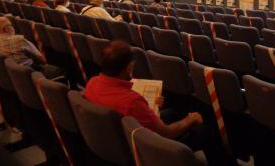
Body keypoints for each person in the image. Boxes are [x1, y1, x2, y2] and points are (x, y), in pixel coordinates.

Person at [84, 41, 235, 166]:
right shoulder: (132, 101)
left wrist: (150, 107)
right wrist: (192, 119)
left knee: (176, 112)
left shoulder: (92, 83)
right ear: (128, 67)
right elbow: (167, 133)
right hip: (149, 146)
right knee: (207, 132)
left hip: (120, 137)